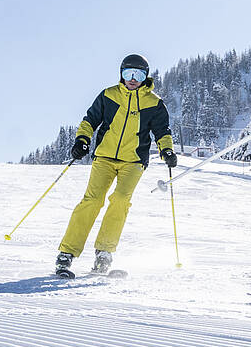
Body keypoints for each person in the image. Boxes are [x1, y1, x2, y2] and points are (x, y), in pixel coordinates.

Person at [56, 54, 176, 277]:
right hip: (104, 157)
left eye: (138, 74)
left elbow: (162, 131)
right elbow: (89, 120)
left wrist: (166, 150)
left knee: (120, 200)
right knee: (92, 201)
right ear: (121, 74)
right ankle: (67, 253)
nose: (132, 79)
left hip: (134, 161)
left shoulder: (154, 103)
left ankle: (104, 253)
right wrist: (82, 140)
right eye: (128, 73)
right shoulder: (109, 95)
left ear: (145, 77)